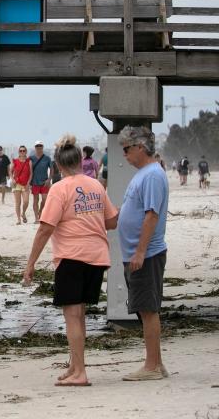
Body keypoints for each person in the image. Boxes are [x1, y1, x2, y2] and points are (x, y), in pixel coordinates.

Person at [23, 134, 118, 387]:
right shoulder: (96, 185)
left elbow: (45, 228)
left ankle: (81, 373)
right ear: (79, 160)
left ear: (58, 165)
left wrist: (30, 263)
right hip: (97, 257)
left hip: (72, 257)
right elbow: (112, 221)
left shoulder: (59, 189)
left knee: (72, 316)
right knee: (80, 314)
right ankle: (75, 366)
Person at [118, 126, 170, 381]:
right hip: (137, 254)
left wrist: (139, 252)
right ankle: (156, 364)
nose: (124, 154)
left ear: (140, 147)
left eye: (127, 149)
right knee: (143, 309)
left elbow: (152, 215)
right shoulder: (144, 174)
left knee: (148, 309)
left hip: (146, 255)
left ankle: (151, 367)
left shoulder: (151, 175)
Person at [29, 141, 52, 223]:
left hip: (44, 182)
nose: (39, 147)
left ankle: (40, 212)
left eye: (40, 146)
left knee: (45, 200)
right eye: (37, 146)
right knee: (36, 199)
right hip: (34, 182)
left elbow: (52, 170)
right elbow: (27, 169)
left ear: (42, 147)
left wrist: (49, 180)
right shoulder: (31, 158)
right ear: (35, 148)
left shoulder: (47, 158)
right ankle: (36, 218)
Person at [12, 146, 32, 224]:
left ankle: (23, 213)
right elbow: (10, 171)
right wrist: (12, 179)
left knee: (26, 201)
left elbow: (31, 174)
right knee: (18, 203)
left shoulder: (29, 161)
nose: (22, 152)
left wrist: (28, 183)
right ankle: (18, 219)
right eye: (21, 151)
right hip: (17, 184)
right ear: (19, 152)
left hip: (25, 185)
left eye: (24, 151)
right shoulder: (15, 161)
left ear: (26, 152)